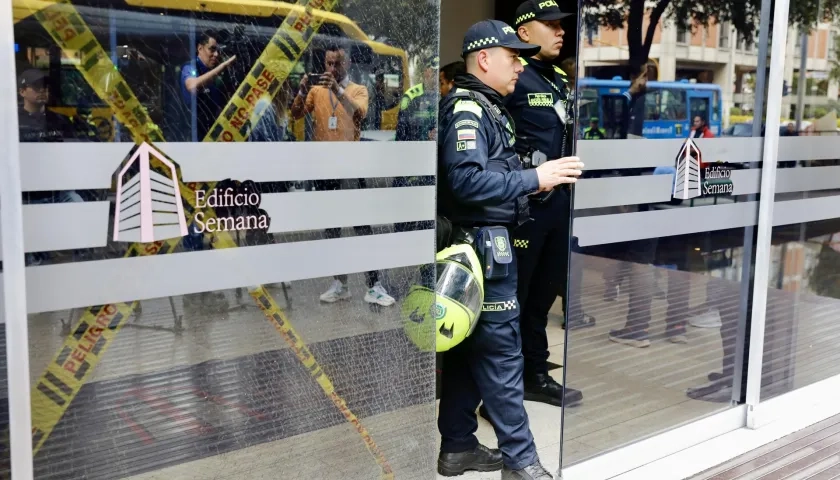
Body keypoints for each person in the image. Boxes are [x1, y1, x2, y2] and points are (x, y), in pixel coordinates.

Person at [436, 19, 583, 480]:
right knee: (502, 354)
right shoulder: (468, 110)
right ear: (484, 58)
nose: (520, 65)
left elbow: (488, 178)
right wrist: (532, 178)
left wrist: (532, 183)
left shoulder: (488, 106)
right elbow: (464, 181)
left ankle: (458, 446)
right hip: (481, 245)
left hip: (485, 243)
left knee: (465, 349)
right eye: (512, 56)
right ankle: (521, 463)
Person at [486, 0, 586, 410]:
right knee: (516, 298)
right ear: (524, 32)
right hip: (523, 207)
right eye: (550, 25)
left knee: (544, 295)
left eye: (561, 26)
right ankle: (502, 387)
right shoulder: (516, 77)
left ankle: (535, 372)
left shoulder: (559, 79)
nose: (561, 32)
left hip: (559, 204)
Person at [291, 45, 395, 307]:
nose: (332, 69)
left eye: (336, 64)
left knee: (362, 226)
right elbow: (295, 114)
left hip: (351, 167)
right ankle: (340, 284)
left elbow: (360, 114)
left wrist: (338, 90)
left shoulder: (358, 89)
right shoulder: (316, 91)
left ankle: (374, 285)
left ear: (346, 64)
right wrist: (302, 90)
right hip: (325, 169)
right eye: (328, 64)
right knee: (332, 227)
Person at [180, 29, 236, 141]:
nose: (216, 54)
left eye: (218, 51)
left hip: (212, 136)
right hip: (193, 138)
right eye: (212, 49)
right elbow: (191, 85)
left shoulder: (214, 73)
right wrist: (223, 66)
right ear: (200, 48)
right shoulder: (190, 67)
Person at [396, 55, 439, 142]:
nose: (436, 76)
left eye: (439, 72)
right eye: (434, 71)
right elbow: (402, 130)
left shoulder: (444, 94)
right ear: (425, 72)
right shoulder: (411, 96)